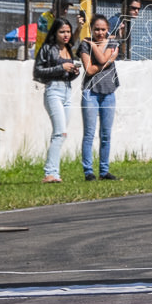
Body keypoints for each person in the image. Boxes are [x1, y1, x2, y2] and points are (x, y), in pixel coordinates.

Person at [32, 17, 80, 183]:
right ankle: (50, 173)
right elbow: (37, 71)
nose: (66, 35)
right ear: (55, 33)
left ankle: (54, 172)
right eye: (62, 32)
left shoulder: (68, 49)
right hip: (53, 91)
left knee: (61, 134)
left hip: (67, 91)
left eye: (68, 31)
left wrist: (73, 73)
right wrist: (61, 67)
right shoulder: (47, 48)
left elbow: (66, 74)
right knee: (60, 132)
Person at [78, 14, 121, 181]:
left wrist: (94, 47)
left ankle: (104, 170)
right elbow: (89, 70)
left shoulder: (112, 42)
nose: (100, 32)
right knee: (89, 133)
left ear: (108, 30)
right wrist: (106, 61)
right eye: (96, 29)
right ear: (91, 29)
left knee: (106, 134)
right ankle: (88, 171)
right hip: (90, 92)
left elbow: (102, 59)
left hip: (109, 92)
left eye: (103, 29)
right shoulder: (84, 44)